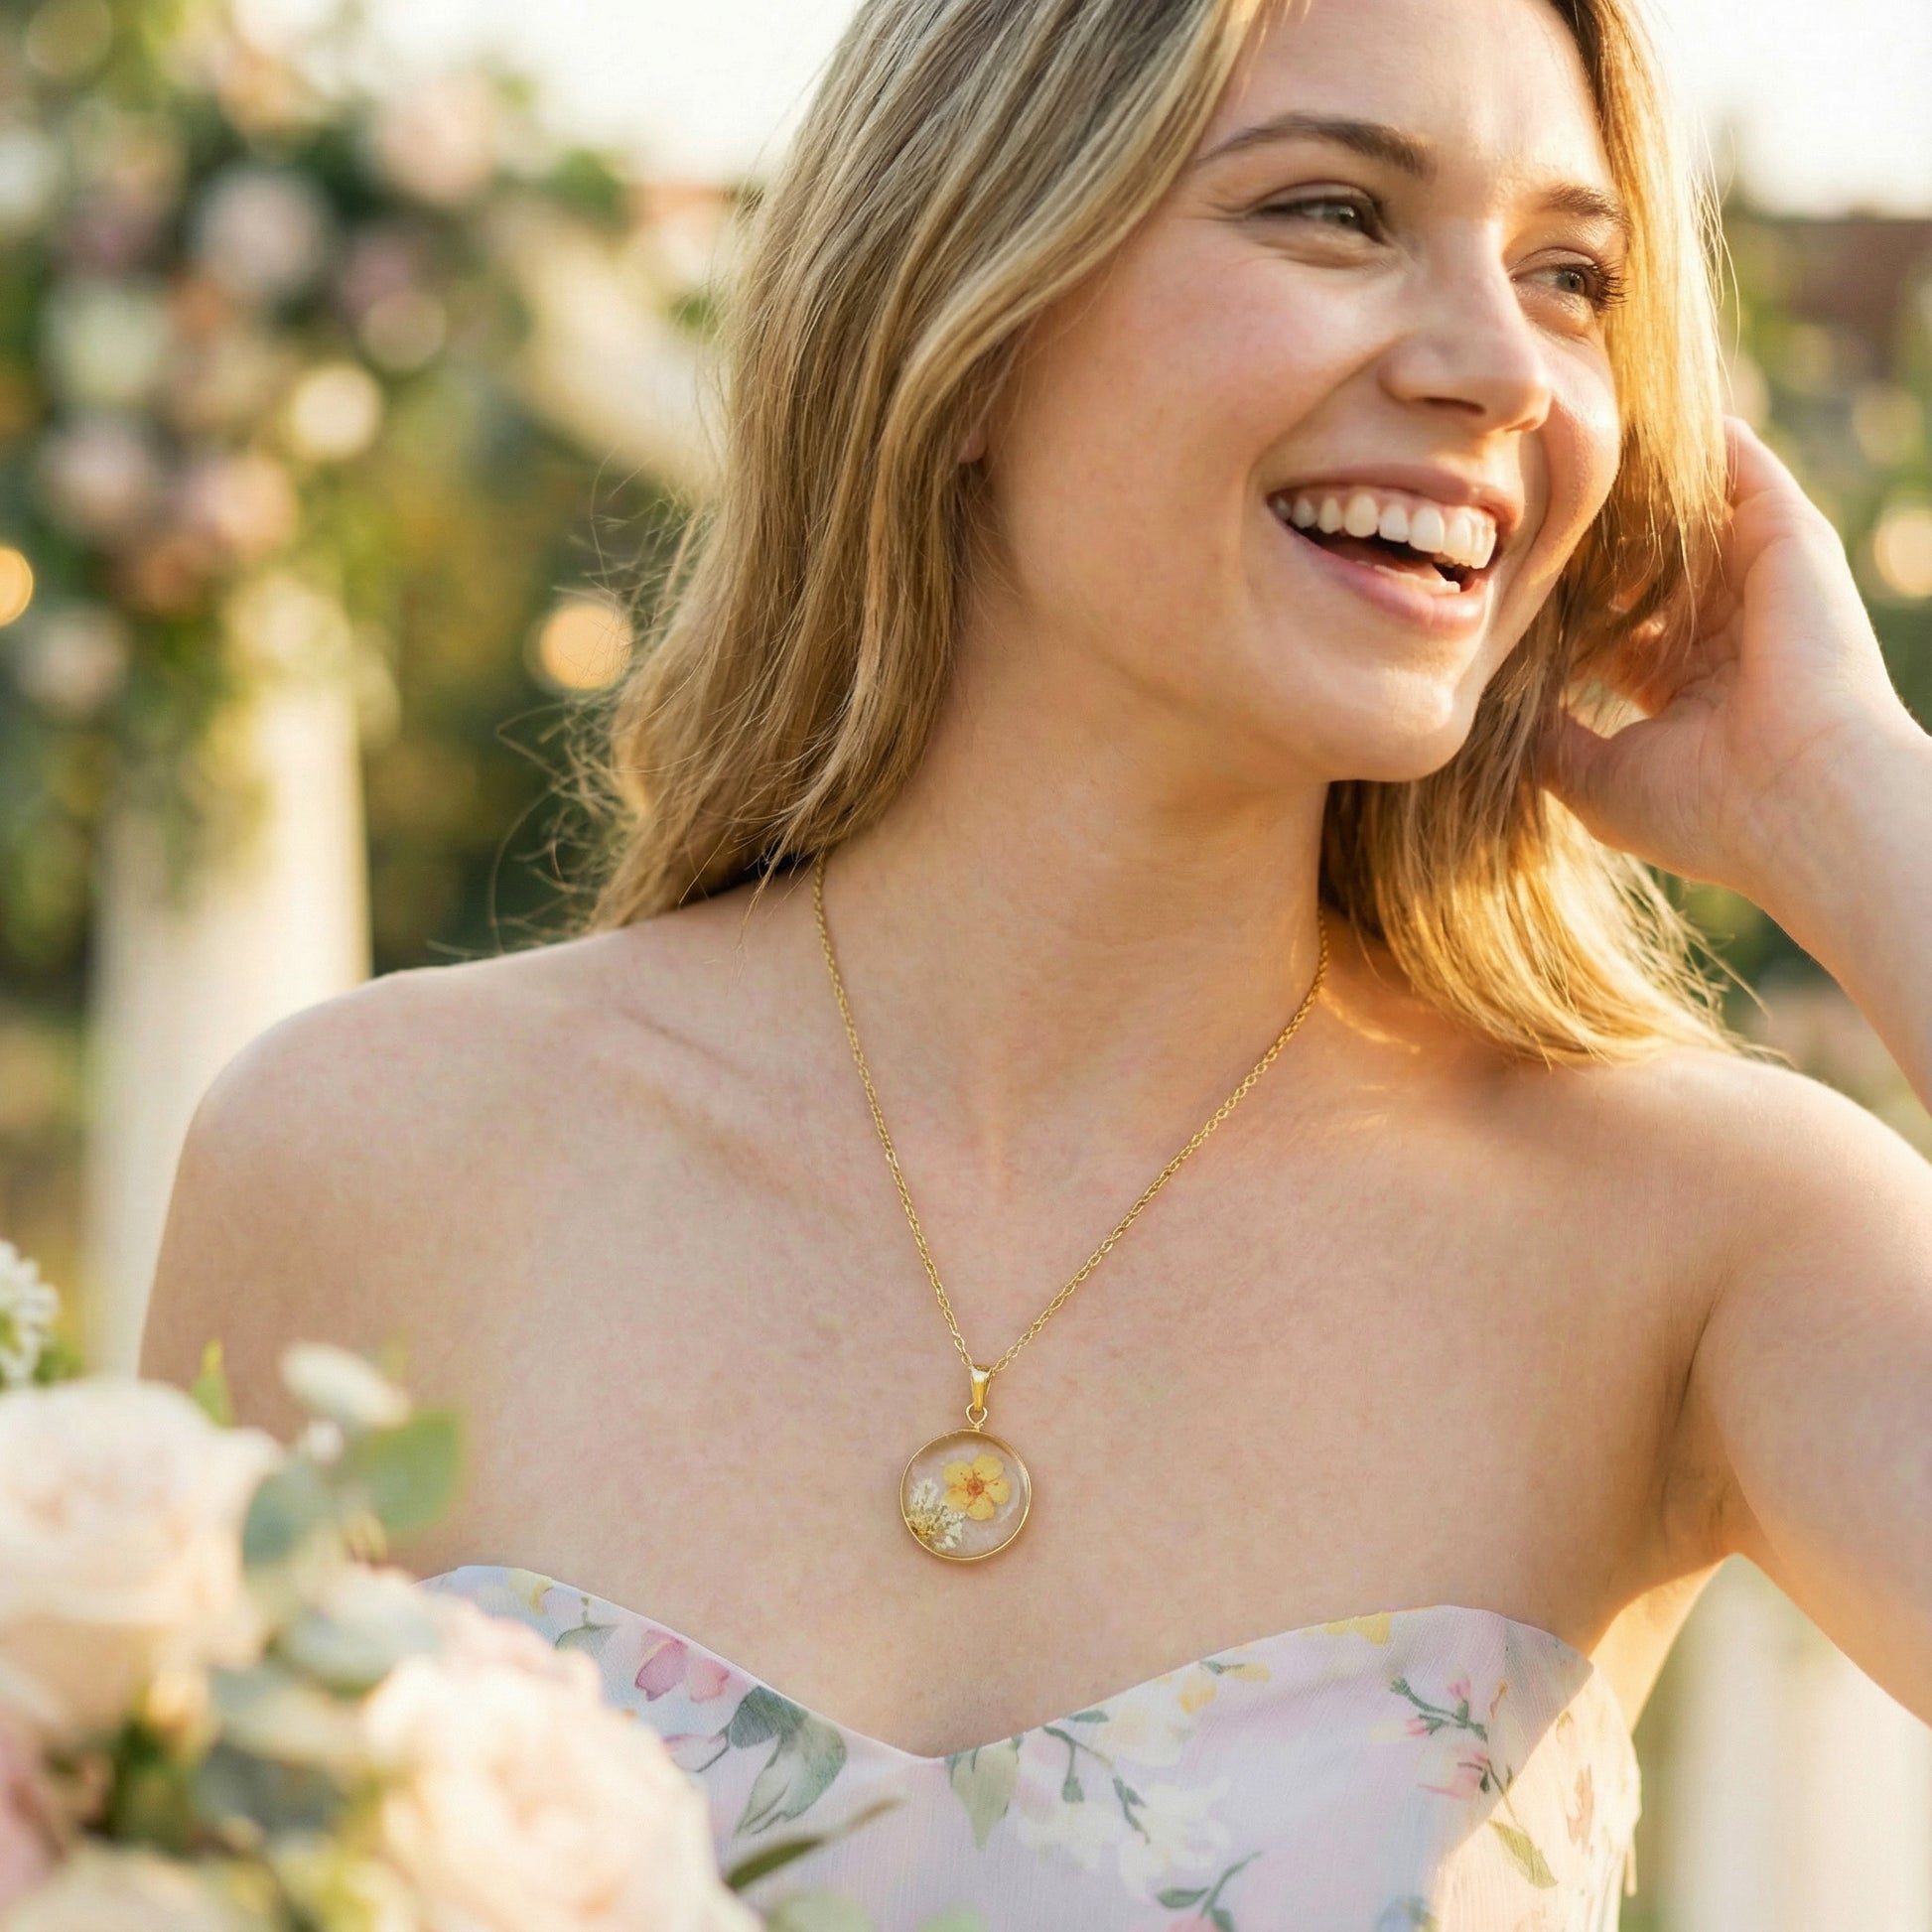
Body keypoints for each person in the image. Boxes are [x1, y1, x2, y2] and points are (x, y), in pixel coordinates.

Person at [143, 0, 1932, 1922]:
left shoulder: (1700, 1237)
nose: (1503, 365)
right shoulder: (363, 1155)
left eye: (1571, 275)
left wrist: (1855, 803)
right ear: (965, 303)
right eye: (1332, 211)